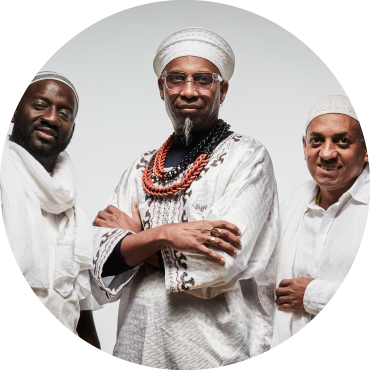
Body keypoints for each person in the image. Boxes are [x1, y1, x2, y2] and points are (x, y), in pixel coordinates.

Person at [91, 27, 279, 368]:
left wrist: (136, 242)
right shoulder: (141, 167)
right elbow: (102, 259)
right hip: (137, 341)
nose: (188, 91)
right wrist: (165, 235)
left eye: (203, 80)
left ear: (222, 90)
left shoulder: (247, 157)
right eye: (176, 79)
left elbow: (221, 260)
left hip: (214, 348)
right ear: (161, 88)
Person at [0, 71, 101, 348]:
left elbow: (76, 298)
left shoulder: (71, 202)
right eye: (40, 105)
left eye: (64, 113)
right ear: (12, 111)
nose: (52, 118)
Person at [272, 95, 368, 347]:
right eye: (317, 140)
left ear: (366, 150)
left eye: (342, 141)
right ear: (305, 147)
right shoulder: (293, 203)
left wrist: (313, 296)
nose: (326, 153)